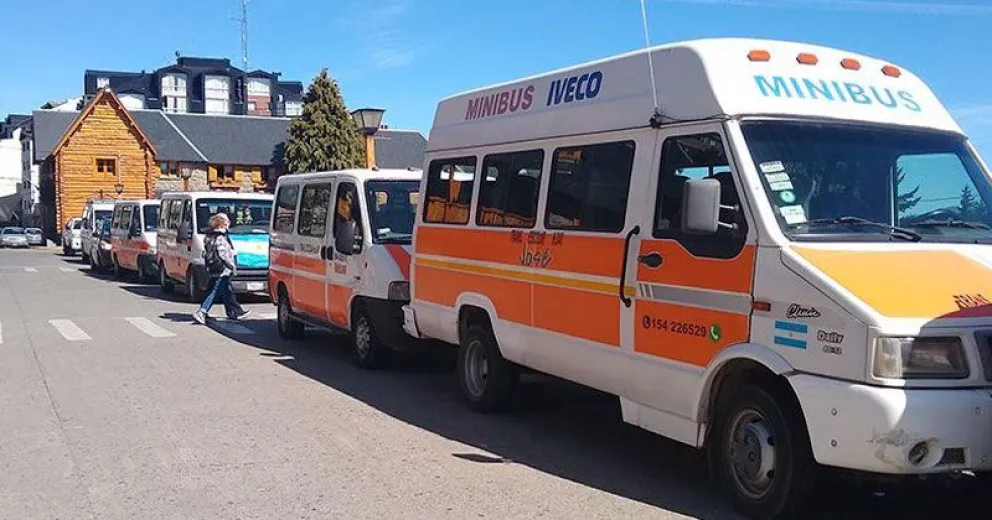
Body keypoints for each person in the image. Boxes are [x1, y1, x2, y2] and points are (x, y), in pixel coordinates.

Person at [193, 213, 250, 324]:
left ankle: (234, 312)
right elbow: (223, 254)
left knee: (226, 291)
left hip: (213, 267)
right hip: (222, 269)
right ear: (221, 224)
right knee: (214, 291)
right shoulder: (220, 237)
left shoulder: (209, 236)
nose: (229, 223)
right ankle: (202, 312)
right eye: (226, 222)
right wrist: (231, 265)